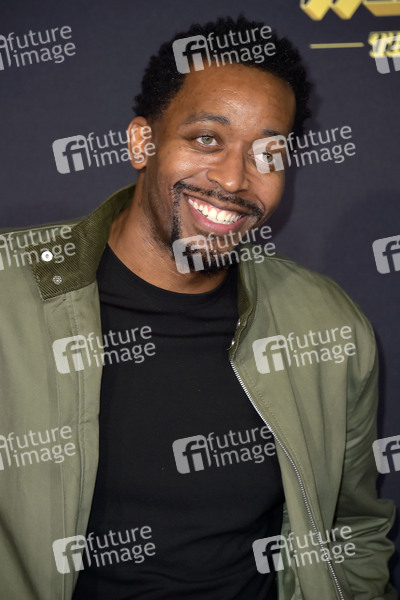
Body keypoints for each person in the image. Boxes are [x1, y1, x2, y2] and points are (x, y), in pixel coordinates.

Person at [0, 15, 396, 600]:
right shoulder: (9, 292)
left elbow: (351, 530)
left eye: (267, 154)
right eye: (207, 139)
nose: (234, 180)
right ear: (142, 143)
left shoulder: (328, 324)